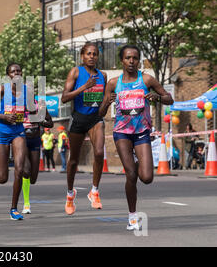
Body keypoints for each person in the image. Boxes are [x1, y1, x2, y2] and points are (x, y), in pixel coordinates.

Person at [99, 45, 173, 231]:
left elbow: (169, 98)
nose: (131, 61)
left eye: (135, 58)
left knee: (146, 177)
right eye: (127, 58)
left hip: (141, 132)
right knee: (131, 174)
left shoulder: (146, 79)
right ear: (121, 61)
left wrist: (157, 97)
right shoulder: (113, 83)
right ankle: (132, 216)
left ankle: (139, 163)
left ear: (138, 60)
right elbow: (100, 112)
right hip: (122, 132)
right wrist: (107, 102)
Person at [61, 43, 107, 215]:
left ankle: (94, 191)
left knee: (99, 152)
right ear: (82, 56)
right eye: (88, 53)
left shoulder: (102, 75)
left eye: (95, 54)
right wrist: (83, 87)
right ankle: (70, 194)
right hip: (79, 118)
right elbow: (64, 98)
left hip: (96, 119)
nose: (92, 56)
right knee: (73, 160)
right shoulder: (76, 72)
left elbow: (102, 102)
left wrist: (108, 102)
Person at [0, 62, 30, 220]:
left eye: (19, 71)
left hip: (18, 132)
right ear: (8, 75)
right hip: (2, 132)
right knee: (2, 179)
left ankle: (14, 209)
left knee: (20, 169)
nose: (16, 73)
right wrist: (4, 117)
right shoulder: (2, 90)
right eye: (13, 71)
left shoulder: (27, 91)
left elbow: (32, 109)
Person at [21, 99, 53, 214]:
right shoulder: (19, 106)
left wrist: (41, 122)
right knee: (26, 170)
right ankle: (26, 204)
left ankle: (24, 175)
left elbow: (50, 123)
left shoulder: (40, 106)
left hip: (35, 141)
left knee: (33, 178)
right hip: (22, 140)